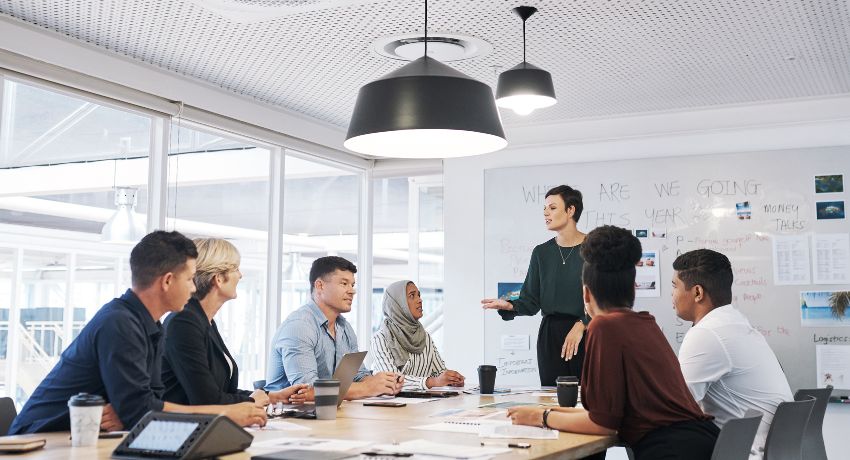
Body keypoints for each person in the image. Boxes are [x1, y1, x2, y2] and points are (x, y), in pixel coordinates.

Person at [9, 231, 267, 435]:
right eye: (189, 279)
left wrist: (134, 411)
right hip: (41, 440)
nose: (192, 289)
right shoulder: (119, 322)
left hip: (84, 438)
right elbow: (141, 410)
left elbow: (150, 402)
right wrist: (223, 413)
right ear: (167, 281)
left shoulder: (149, 325)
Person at [507, 225, 718, 460]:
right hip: (703, 444)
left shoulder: (604, 327)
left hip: (672, 451)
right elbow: (602, 416)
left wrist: (540, 417)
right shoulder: (645, 323)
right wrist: (545, 412)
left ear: (586, 295)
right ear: (633, 289)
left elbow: (602, 425)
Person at [673, 249, 792, 459]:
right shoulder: (736, 324)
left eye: (675, 287)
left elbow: (675, 404)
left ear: (697, 293)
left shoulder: (707, 333)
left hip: (743, 450)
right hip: (769, 448)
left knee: (657, 442)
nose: (672, 295)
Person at [161, 238, 309, 406]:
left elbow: (221, 392)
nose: (240, 275)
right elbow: (206, 400)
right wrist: (252, 400)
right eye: (236, 269)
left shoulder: (205, 320)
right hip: (186, 429)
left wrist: (272, 396)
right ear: (218, 278)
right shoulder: (184, 322)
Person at [481, 185, 588, 385]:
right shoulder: (541, 252)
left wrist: (582, 325)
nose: (546, 213)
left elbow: (607, 300)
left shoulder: (595, 248)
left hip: (587, 332)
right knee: (552, 398)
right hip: (550, 335)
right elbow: (530, 301)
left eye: (553, 208)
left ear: (571, 210)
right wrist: (510, 305)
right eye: (545, 209)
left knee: (589, 399)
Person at [266, 256, 402, 399]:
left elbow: (357, 376)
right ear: (320, 286)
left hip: (327, 412)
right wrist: (368, 388)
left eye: (352, 285)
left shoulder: (344, 328)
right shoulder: (299, 326)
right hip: (287, 415)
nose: (352, 291)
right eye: (344, 284)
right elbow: (308, 389)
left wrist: (383, 382)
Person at [370, 280, 464, 390]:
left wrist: (451, 379)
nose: (419, 300)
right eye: (412, 296)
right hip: (390, 405)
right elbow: (391, 381)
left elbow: (439, 372)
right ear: (398, 304)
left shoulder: (425, 337)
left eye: (419, 295)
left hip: (421, 405)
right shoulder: (380, 339)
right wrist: (430, 382)